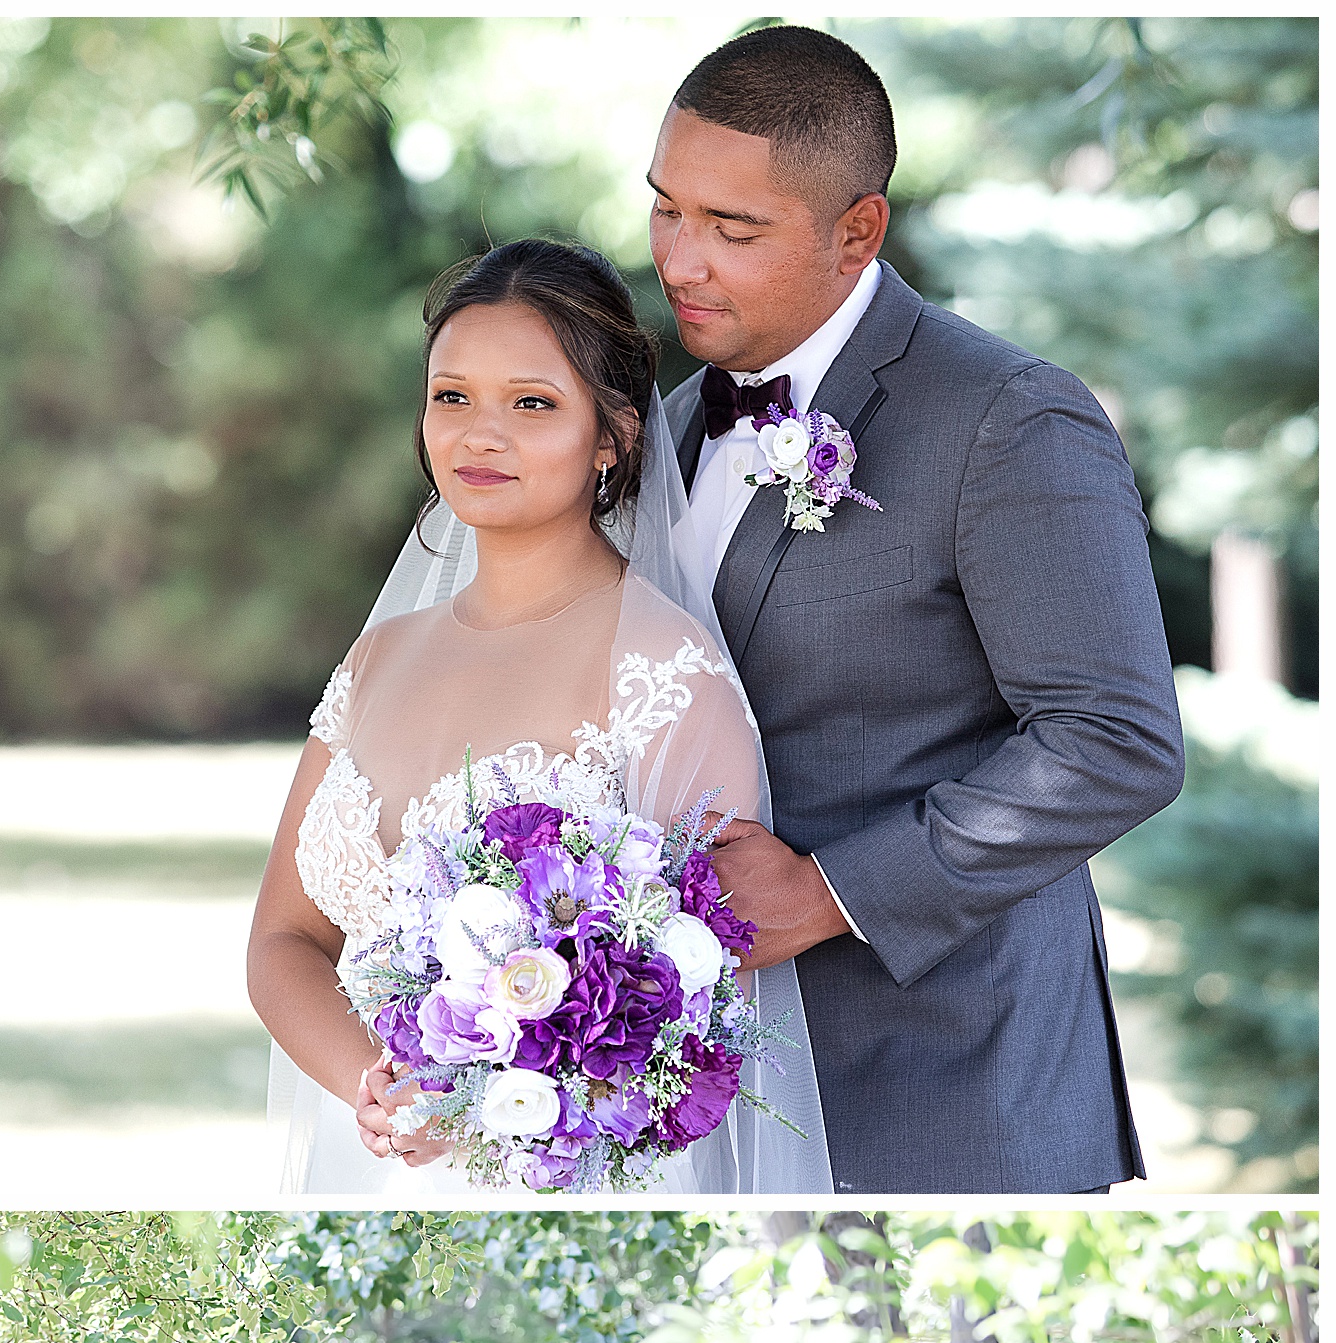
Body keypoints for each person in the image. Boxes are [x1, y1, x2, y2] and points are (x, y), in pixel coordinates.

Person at [645, 25, 1184, 1191]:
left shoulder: (1009, 417)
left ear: (858, 230)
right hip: (710, 1095)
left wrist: (825, 890)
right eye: (667, 210)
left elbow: (1117, 741)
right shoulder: (671, 422)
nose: (681, 260)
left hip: (954, 1086)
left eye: (733, 230)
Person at [248, 238, 831, 1197]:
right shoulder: (378, 657)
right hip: (376, 1158)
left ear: (613, 436)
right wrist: (379, 1086)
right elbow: (282, 940)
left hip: (570, 1186)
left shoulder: (660, 670)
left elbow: (701, 1003)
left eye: (531, 403)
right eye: (451, 396)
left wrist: (518, 1091)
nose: (480, 435)